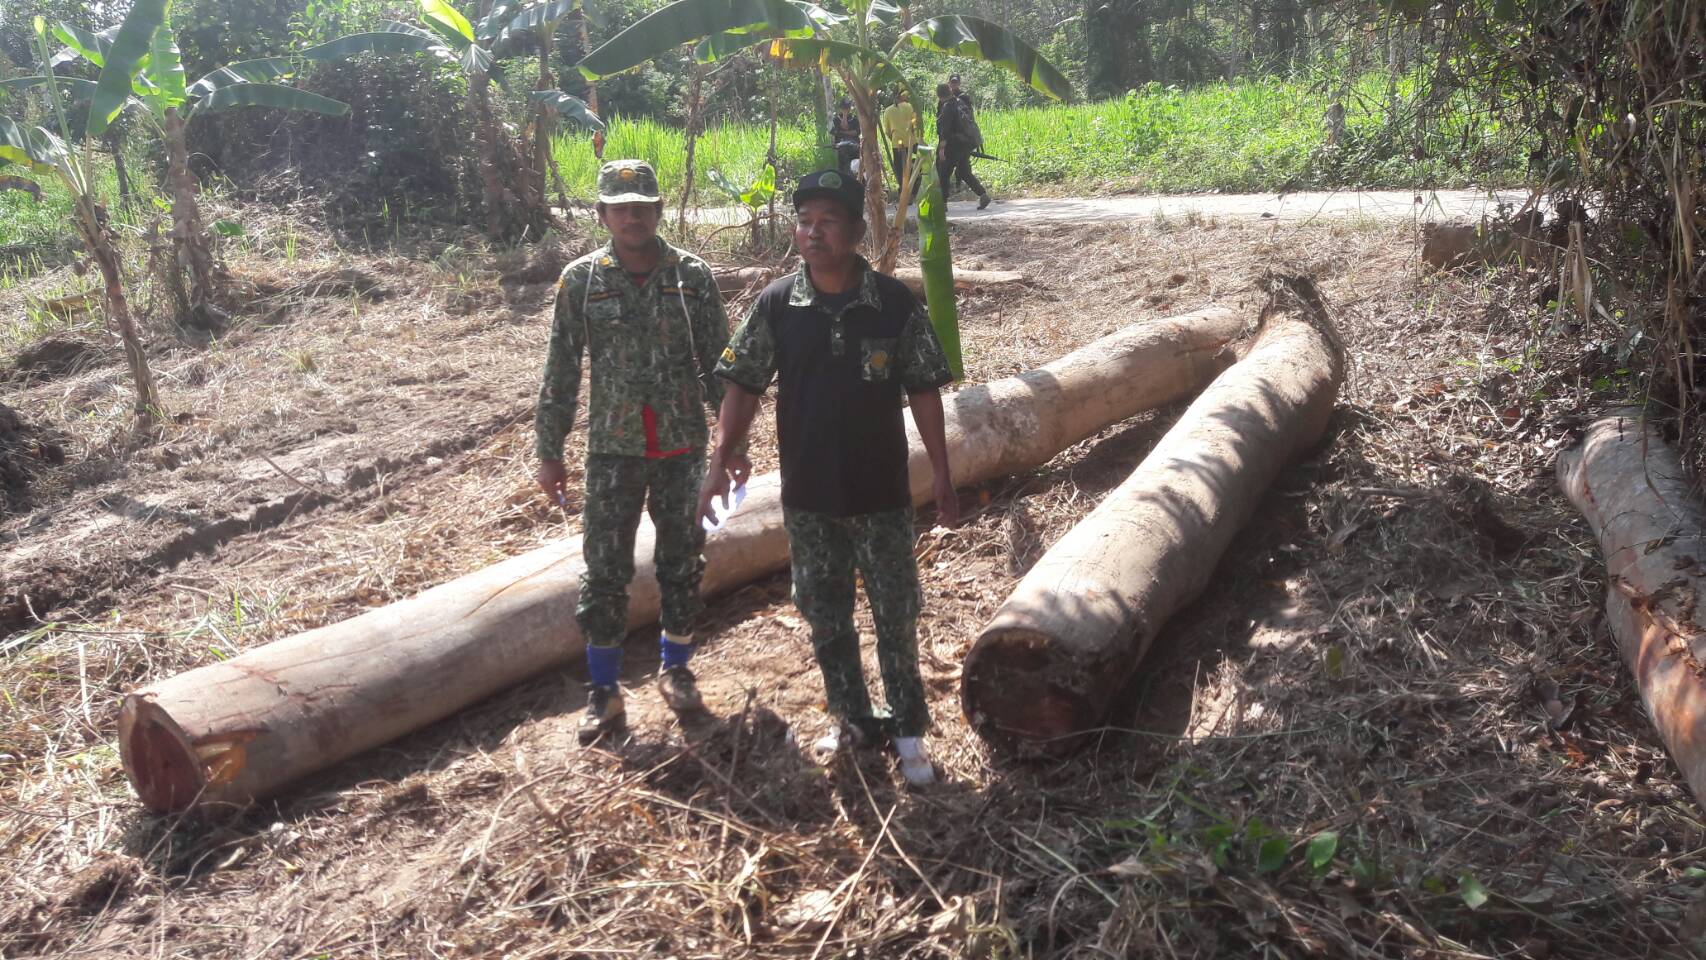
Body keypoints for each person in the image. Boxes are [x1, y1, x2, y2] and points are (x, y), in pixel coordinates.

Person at [700, 170, 960, 787]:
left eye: (828, 221)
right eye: (805, 221)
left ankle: (908, 728)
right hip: (810, 496)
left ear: (856, 231)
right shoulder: (777, 305)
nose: (813, 233)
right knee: (825, 612)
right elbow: (743, 387)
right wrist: (719, 461)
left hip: (881, 493)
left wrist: (943, 475)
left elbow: (924, 391)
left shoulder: (893, 303)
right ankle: (851, 717)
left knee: (895, 612)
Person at [535, 159, 734, 745]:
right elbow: (561, 369)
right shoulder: (581, 281)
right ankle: (604, 689)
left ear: (658, 211)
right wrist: (549, 450)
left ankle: (677, 669)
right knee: (604, 569)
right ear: (602, 215)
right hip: (612, 448)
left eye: (642, 207)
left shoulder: (691, 276)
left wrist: (732, 446)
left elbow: (720, 366)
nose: (632, 218)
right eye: (620, 208)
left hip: (682, 446)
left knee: (683, 560)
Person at [935, 82, 990, 210]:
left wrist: (942, 148)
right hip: (966, 143)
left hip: (953, 145)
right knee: (964, 172)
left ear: (939, 96)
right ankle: (983, 195)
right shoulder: (960, 102)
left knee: (944, 173)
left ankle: (942, 204)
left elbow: (945, 129)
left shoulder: (948, 107)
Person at [880, 87, 921, 192]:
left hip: (897, 143)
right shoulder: (910, 106)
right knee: (916, 164)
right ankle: (915, 186)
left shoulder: (888, 110)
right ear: (902, 96)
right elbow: (915, 123)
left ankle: (903, 189)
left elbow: (887, 131)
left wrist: (893, 138)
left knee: (900, 168)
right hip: (912, 141)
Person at [829, 98, 861, 175]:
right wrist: (844, 116)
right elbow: (835, 131)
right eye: (844, 108)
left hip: (854, 147)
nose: (846, 110)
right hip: (842, 148)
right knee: (842, 169)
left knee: (855, 167)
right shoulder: (836, 120)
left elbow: (856, 132)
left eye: (847, 108)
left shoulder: (854, 119)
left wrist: (842, 132)